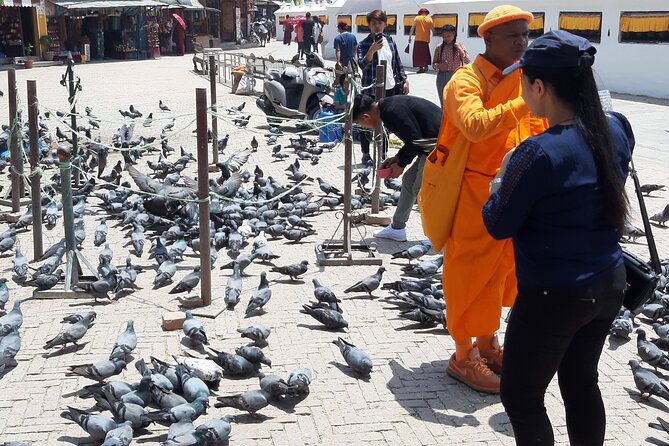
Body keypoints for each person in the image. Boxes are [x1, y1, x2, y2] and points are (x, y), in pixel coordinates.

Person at [482, 30, 632, 446]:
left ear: (540, 87)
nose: (522, 91)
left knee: (522, 396)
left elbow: (497, 224)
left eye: (523, 82)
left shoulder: (537, 153)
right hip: (607, 283)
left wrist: (501, 179)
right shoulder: (616, 129)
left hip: (554, 293)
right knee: (581, 381)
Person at [419, 4, 548, 394]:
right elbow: (475, 126)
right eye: (513, 36)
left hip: (513, 192)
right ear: (488, 38)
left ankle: (488, 343)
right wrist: (527, 98)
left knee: (499, 272)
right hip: (473, 193)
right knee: (467, 274)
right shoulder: (465, 80)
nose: (522, 43)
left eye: (525, 35)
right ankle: (461, 356)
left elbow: (539, 128)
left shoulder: (525, 77)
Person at [352, 94, 441, 242]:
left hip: (440, 146)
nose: (363, 127)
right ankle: (397, 228)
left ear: (366, 117)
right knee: (409, 181)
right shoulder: (387, 108)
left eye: (360, 124)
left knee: (423, 189)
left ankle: (437, 236)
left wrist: (401, 165)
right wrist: (398, 157)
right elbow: (413, 138)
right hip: (429, 145)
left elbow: (415, 140)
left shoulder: (391, 111)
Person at [357, 9, 409, 164]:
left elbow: (397, 63)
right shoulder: (364, 44)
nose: (377, 26)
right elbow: (361, 64)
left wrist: (405, 79)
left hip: (389, 87)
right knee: (367, 120)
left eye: (380, 23)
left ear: (385, 25)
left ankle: (382, 152)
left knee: (387, 120)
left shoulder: (390, 42)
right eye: (373, 23)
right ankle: (366, 153)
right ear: (369, 25)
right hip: (370, 88)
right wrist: (371, 51)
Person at [433, 24, 469, 106]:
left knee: (455, 103)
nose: (446, 38)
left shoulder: (460, 46)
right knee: (444, 103)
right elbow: (433, 64)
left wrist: (459, 48)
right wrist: (438, 65)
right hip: (441, 77)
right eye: (444, 37)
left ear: (454, 34)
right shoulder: (439, 47)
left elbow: (467, 60)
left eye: (448, 36)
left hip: (455, 76)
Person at [408, 8, 434, 73]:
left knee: (418, 54)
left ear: (420, 12)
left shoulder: (417, 18)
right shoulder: (429, 19)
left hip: (418, 39)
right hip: (426, 39)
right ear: (426, 13)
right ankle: (426, 66)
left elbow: (412, 28)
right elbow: (433, 29)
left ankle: (421, 68)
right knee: (425, 53)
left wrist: (410, 37)